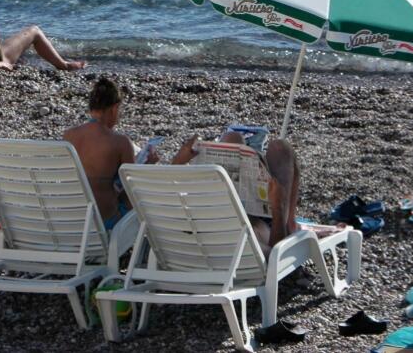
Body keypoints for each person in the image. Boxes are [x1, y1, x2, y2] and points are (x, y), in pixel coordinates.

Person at [64, 78, 302, 252]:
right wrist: (278, 209)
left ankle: (288, 220)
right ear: (114, 108)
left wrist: (174, 164)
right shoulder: (118, 142)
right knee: (267, 148)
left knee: (235, 142)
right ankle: (290, 222)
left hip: (76, 221)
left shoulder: (69, 136)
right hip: (110, 224)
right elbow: (133, 189)